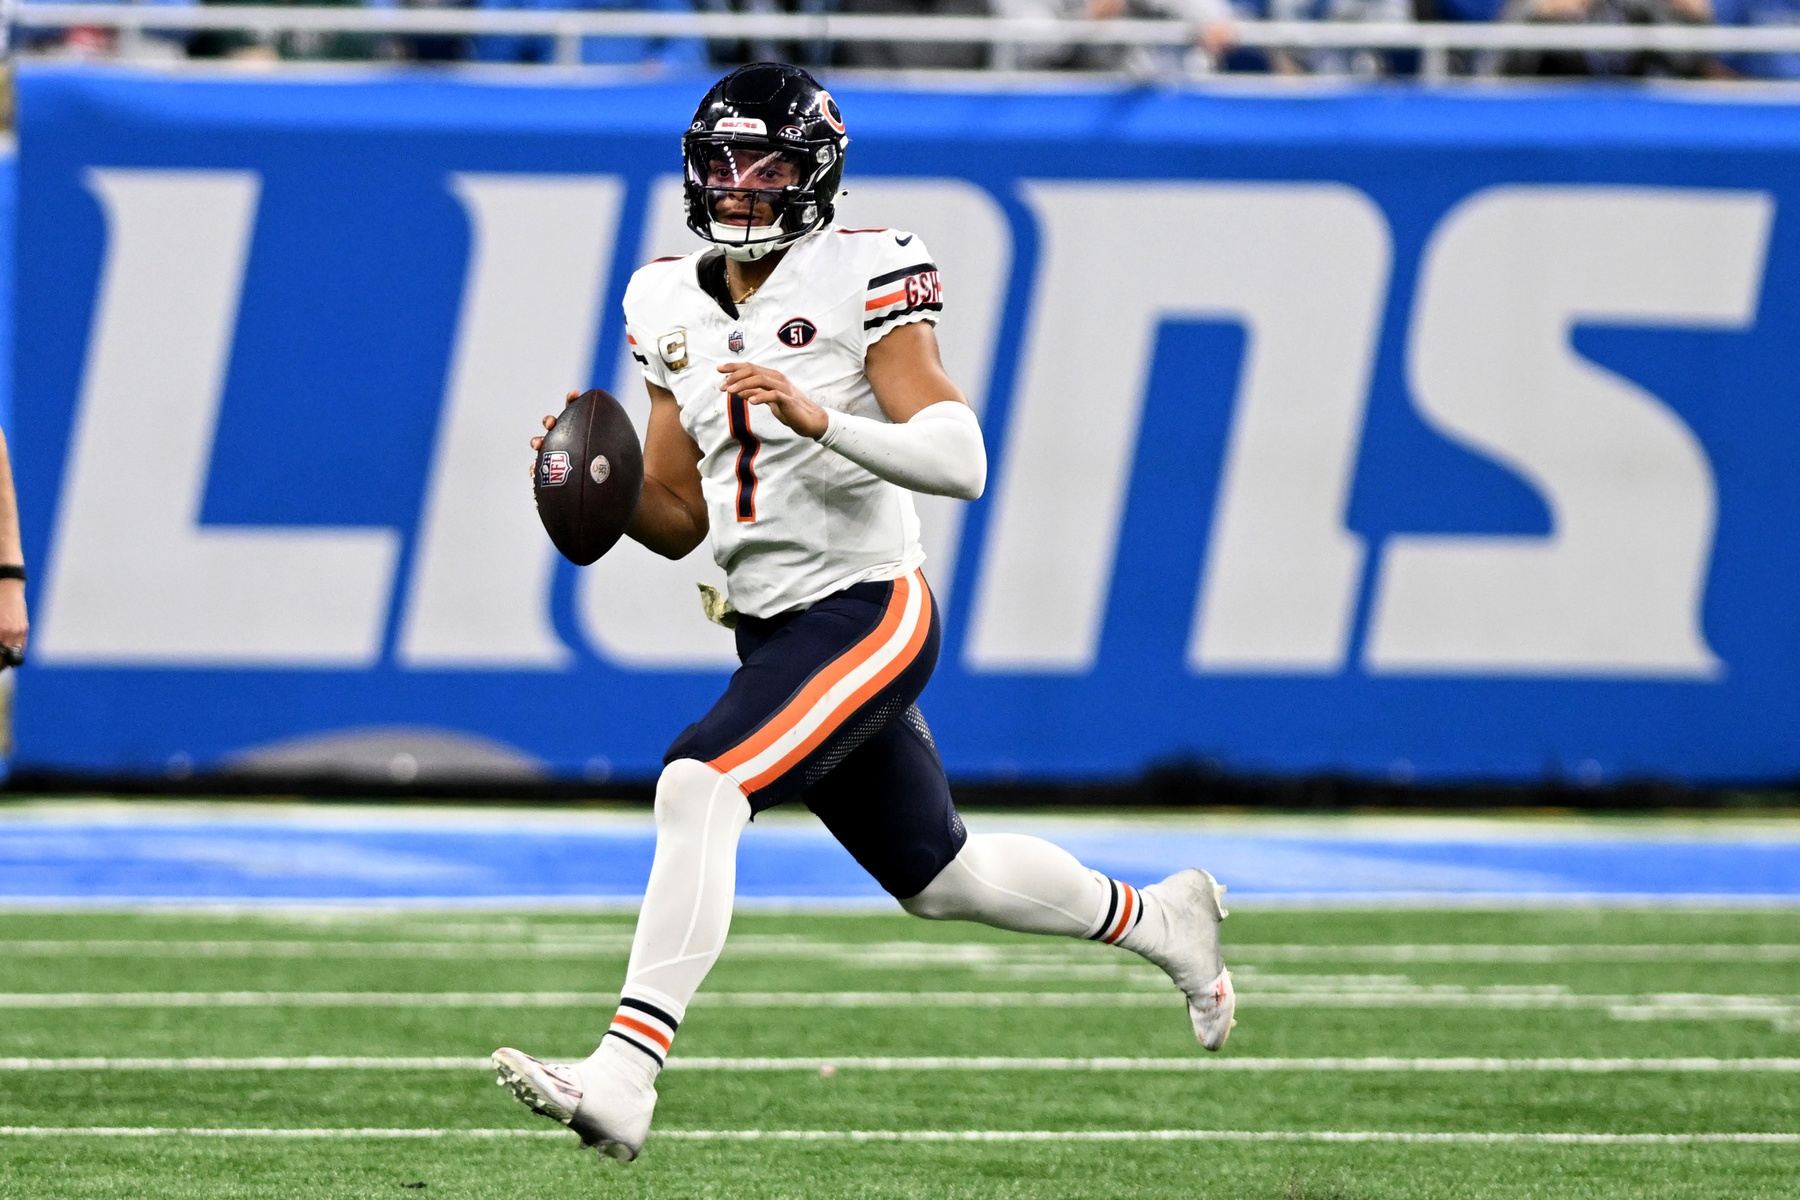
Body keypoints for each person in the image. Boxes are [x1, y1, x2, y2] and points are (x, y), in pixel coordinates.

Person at [494, 62, 1234, 1163]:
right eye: (724, 165)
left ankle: (626, 1071)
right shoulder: (663, 299)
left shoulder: (870, 271)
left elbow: (962, 458)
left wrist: (819, 418)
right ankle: (1163, 920)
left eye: (769, 167)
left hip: (870, 607)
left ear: (818, 176)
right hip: (769, 623)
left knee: (703, 783)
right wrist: (580, 483)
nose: (742, 189)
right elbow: (677, 515)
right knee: (943, 877)